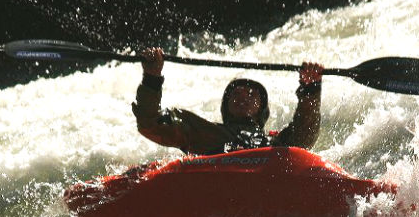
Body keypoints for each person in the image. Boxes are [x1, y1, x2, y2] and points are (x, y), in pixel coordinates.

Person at [132, 47, 324, 155]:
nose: (243, 98)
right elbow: (151, 123)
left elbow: (304, 135)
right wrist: (152, 77)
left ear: (262, 110)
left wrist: (310, 89)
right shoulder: (204, 132)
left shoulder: (275, 142)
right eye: (236, 94)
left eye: (251, 95)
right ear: (226, 106)